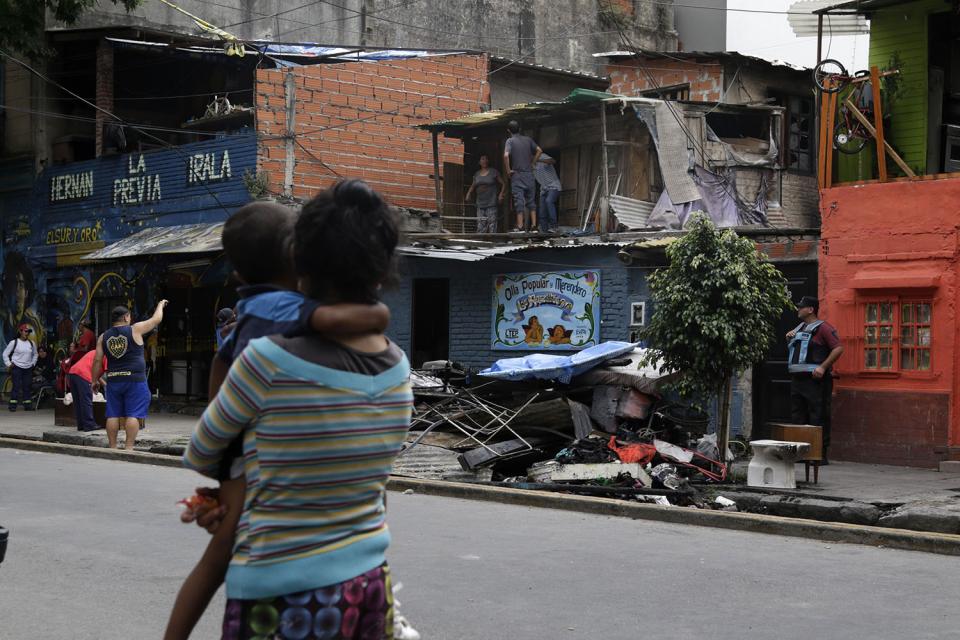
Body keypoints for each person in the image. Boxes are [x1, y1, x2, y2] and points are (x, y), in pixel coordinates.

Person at [175, 180, 413, 640]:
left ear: (301, 267)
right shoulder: (399, 371)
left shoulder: (266, 360)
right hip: (368, 587)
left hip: (278, 598)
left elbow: (205, 448)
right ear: (381, 275)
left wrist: (231, 499)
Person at [91, 301, 168, 450]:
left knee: (112, 414)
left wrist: (94, 380)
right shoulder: (135, 329)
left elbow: (97, 360)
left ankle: (112, 447)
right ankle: (129, 448)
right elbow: (156, 319)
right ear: (126, 317)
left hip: (113, 380)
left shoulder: (103, 337)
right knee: (133, 414)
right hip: (135, 380)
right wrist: (160, 305)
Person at [786, 295, 844, 461]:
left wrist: (823, 367)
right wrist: (789, 338)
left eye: (801, 307)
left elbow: (838, 348)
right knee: (798, 416)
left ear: (811, 309)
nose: (798, 309)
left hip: (816, 381)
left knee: (818, 416)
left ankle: (818, 455)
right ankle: (801, 454)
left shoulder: (824, 328)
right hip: (798, 380)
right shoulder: (799, 327)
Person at [503, 120, 543, 233]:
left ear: (508, 131)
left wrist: (508, 170)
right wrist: (533, 162)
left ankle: (520, 226)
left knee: (519, 201)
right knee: (531, 201)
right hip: (529, 174)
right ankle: (534, 226)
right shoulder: (528, 140)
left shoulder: (510, 141)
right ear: (519, 129)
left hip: (517, 175)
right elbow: (539, 150)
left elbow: (506, 156)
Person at [68, 348, 107, 432]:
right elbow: (108, 371)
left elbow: (95, 370)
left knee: (78, 401)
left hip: (72, 373)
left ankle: (81, 424)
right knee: (86, 400)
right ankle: (89, 424)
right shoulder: (106, 355)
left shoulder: (93, 351)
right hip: (83, 374)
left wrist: (98, 382)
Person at [465, 154, 505, 233]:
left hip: (491, 203)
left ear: (488, 161)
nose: (485, 161)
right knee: (480, 225)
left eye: (486, 159)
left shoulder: (494, 172)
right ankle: (481, 242)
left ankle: (492, 241)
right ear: (479, 162)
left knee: (492, 224)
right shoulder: (477, 174)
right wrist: (468, 194)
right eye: (482, 159)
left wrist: (501, 194)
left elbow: (503, 184)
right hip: (480, 203)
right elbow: (473, 186)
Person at [4, 324, 37, 412]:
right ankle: (12, 406)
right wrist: (9, 364)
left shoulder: (31, 343)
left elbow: (35, 354)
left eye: (28, 332)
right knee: (16, 386)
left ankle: (27, 406)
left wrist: (33, 363)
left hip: (28, 368)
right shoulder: (14, 342)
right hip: (17, 368)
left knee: (27, 386)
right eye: (25, 331)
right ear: (20, 331)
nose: (27, 333)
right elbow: (5, 354)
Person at [534, 152, 562, 233]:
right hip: (543, 189)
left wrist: (538, 160)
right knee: (542, 211)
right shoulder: (529, 165)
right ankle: (544, 231)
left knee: (549, 201)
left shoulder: (541, 156)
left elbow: (553, 161)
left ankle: (554, 226)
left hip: (554, 186)